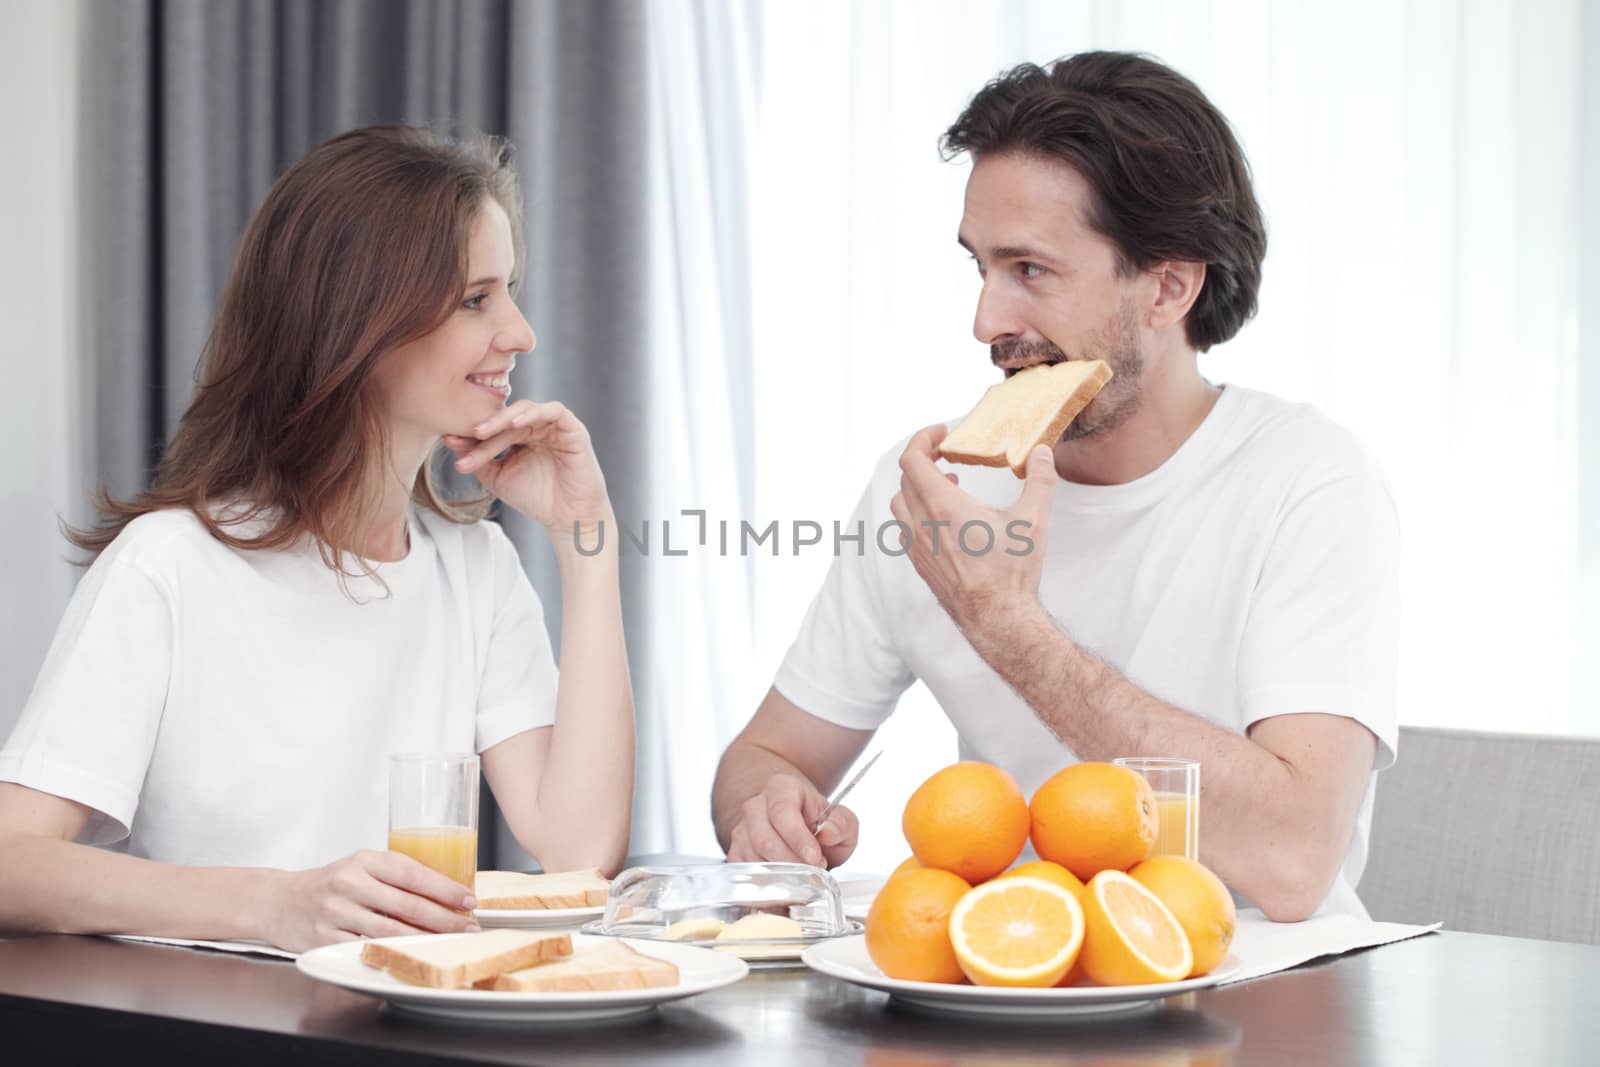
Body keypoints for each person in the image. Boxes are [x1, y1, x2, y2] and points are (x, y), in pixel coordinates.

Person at [711, 52, 1398, 921]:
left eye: (1030, 271)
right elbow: (767, 752)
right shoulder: (931, 485)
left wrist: (1010, 628)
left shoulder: (1309, 481)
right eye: (981, 267)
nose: (986, 321)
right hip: (1017, 989)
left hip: (1265, 1008)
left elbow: (1296, 860)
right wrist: (764, 808)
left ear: (1170, 286)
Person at [0, 126, 635, 951]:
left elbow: (579, 853)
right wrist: (276, 905)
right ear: (359, 323)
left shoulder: (475, 572)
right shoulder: (170, 565)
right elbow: (12, 862)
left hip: (392, 1031)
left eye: (508, 290)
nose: (521, 333)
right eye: (477, 298)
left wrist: (589, 541)